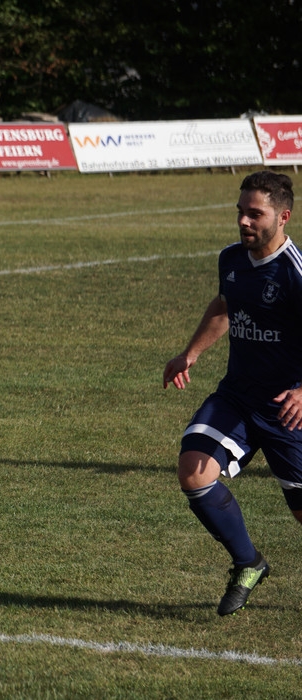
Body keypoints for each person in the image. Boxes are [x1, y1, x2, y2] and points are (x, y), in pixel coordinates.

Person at [163, 170, 297, 616]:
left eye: (254, 214)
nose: (243, 221)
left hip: (286, 409)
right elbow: (225, 306)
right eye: (240, 211)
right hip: (237, 396)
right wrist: (190, 353)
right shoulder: (232, 259)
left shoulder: (295, 273)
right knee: (193, 471)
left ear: (283, 217)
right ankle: (248, 562)